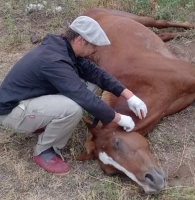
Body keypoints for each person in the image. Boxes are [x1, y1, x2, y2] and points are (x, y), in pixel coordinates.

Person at [0, 16, 148, 174]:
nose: (96, 50)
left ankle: (44, 121)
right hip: (13, 111)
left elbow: (95, 73)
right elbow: (80, 94)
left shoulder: (64, 47)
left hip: (29, 98)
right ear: (80, 40)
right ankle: (45, 151)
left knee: (90, 85)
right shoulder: (54, 60)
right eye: (94, 45)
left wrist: (129, 95)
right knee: (73, 109)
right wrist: (117, 118)